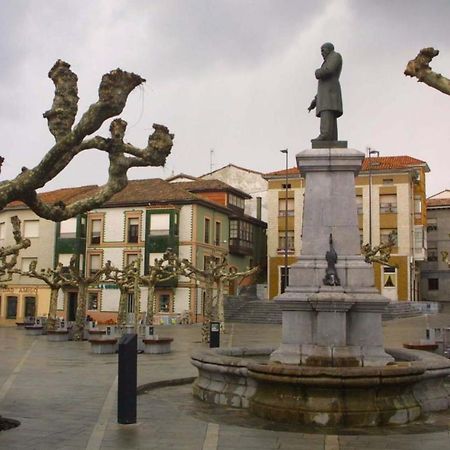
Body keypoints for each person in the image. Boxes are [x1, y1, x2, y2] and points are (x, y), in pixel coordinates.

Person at [308, 42, 343, 141]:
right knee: (329, 117)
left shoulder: (335, 56)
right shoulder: (328, 60)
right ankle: (329, 137)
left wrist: (317, 72)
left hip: (330, 94)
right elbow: (322, 89)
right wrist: (314, 102)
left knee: (327, 113)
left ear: (329, 49)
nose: (322, 53)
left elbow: (329, 70)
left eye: (323, 50)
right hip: (327, 94)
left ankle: (325, 135)